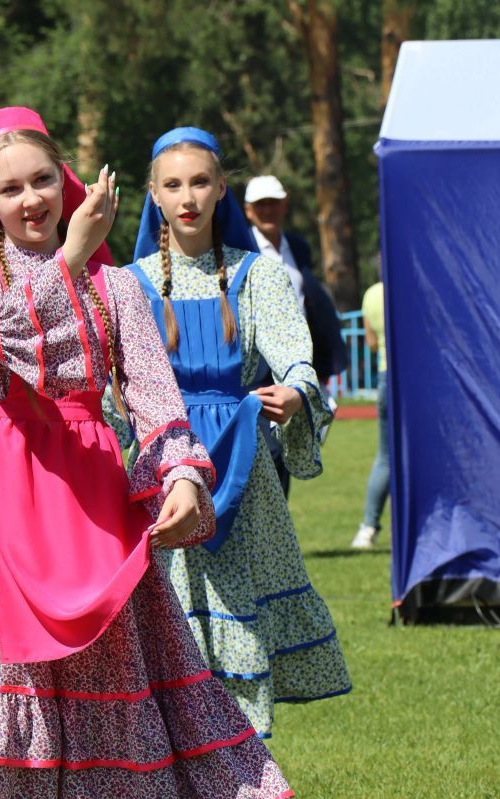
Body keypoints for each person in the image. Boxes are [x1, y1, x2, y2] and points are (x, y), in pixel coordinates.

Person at [0, 108, 292, 799]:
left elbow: (153, 394)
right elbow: (6, 340)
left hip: (92, 496)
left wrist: (182, 474)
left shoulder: (116, 286)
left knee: (105, 684)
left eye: (43, 180)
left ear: (67, 180)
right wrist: (69, 258)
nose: (32, 200)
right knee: (19, 689)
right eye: (10, 188)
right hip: (9, 495)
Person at [127, 128, 351, 744]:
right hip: (164, 465)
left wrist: (298, 391)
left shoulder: (260, 277)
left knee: (238, 605)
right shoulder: (129, 285)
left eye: (200, 181)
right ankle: (183, 776)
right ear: (154, 195)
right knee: (171, 613)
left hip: (242, 467)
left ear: (222, 188)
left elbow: (297, 361)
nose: (188, 196)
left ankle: (242, 775)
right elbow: (111, 389)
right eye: (172, 185)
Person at [244, 175, 347, 493]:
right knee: (267, 452)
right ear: (248, 210)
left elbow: (311, 303)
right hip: (259, 369)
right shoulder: (240, 249)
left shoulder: (298, 248)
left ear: (285, 204)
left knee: (289, 449)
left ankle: (279, 526)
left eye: (273, 203)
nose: (268, 210)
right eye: (261, 204)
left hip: (295, 367)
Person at [352, 279, 388, 548]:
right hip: (418, 381)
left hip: (386, 379)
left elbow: (372, 342)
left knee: (385, 459)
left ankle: (367, 527)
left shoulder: (372, 294)